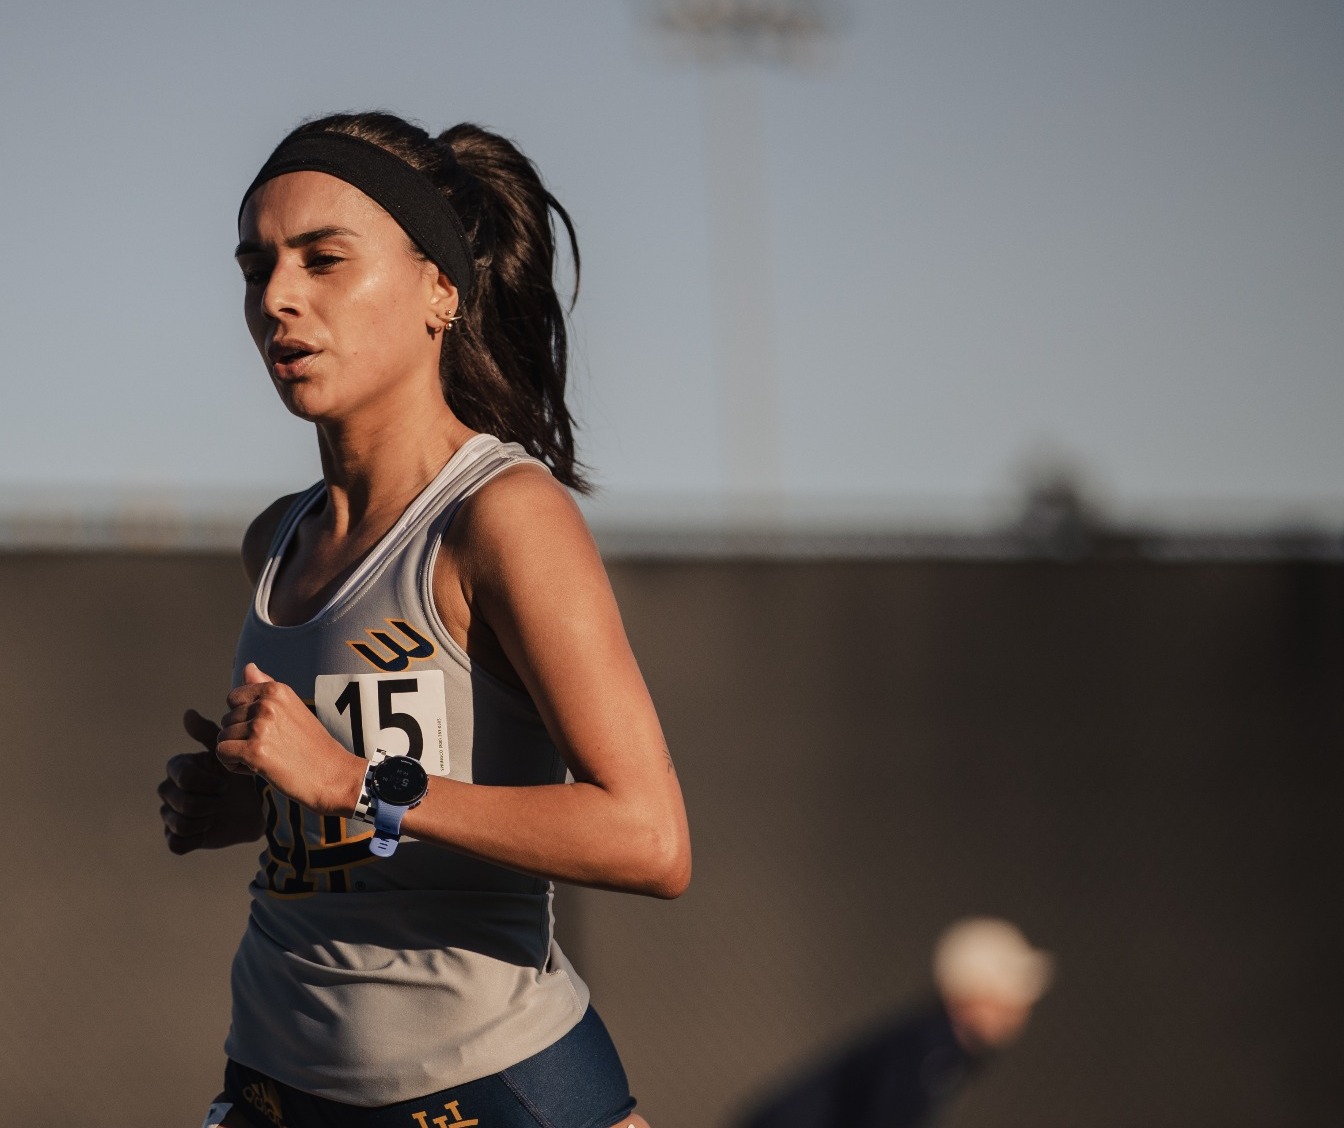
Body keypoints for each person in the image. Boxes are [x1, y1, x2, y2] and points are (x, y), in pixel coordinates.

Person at [156, 111, 692, 1128]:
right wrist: (271, 812)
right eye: (255, 267)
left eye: (323, 260)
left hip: (486, 1091)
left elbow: (650, 838)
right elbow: (365, 814)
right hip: (273, 1084)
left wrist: (351, 781)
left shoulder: (500, 517)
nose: (276, 297)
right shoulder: (274, 540)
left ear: (437, 291)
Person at [736, 917, 1055, 1128]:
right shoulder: (926, 1052)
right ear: (967, 995)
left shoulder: (941, 1048)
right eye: (1006, 993)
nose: (1020, 1007)